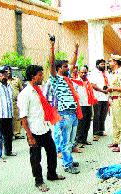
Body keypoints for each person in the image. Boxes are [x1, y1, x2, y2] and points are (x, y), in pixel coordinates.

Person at [17, 65, 65, 192]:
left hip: (44, 128)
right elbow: (23, 118)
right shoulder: (25, 94)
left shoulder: (38, 90)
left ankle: (52, 174)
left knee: (52, 152)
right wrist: (30, 136)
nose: (42, 76)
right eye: (40, 74)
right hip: (34, 132)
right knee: (36, 159)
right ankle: (38, 181)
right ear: (33, 77)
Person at [49, 38, 81, 174]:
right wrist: (52, 46)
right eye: (65, 67)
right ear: (58, 69)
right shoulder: (55, 79)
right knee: (65, 141)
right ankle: (67, 165)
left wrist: (76, 50)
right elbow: (51, 63)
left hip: (73, 114)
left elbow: (74, 64)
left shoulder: (68, 79)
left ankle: (69, 159)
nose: (69, 68)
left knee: (71, 141)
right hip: (65, 114)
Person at [0, 67, 16, 162]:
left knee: (8, 135)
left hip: (8, 114)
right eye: (1, 75)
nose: (4, 76)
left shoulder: (9, 86)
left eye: (5, 74)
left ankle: (8, 151)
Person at [106, 54, 121, 152]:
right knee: (114, 122)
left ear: (115, 62)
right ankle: (115, 141)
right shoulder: (114, 73)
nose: (109, 63)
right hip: (114, 99)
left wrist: (112, 88)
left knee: (120, 123)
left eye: (110, 61)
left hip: (119, 99)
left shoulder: (120, 73)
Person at [72, 66, 97, 147]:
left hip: (88, 105)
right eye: (82, 72)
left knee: (87, 123)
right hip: (81, 106)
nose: (83, 74)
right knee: (80, 124)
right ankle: (78, 141)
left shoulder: (88, 82)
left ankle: (84, 139)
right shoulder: (76, 82)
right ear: (79, 72)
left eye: (85, 72)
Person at [89, 59, 110, 141]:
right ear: (97, 65)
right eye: (102, 64)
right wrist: (102, 90)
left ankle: (101, 130)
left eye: (104, 64)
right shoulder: (93, 73)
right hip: (97, 97)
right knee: (96, 116)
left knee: (103, 115)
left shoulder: (106, 73)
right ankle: (95, 133)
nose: (103, 66)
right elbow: (93, 85)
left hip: (105, 97)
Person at [6, 66, 24, 140]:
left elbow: (21, 90)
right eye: (7, 71)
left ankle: (17, 133)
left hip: (15, 102)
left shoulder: (16, 80)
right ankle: (9, 134)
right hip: (7, 103)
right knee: (8, 119)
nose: (9, 72)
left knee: (17, 118)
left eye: (10, 71)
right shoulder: (4, 81)